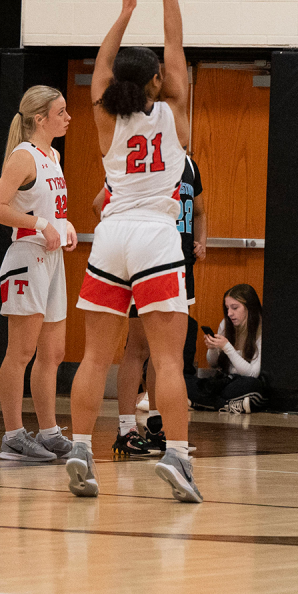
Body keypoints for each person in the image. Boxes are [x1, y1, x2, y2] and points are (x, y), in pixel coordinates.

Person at [66, 0, 201, 503]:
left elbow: (101, 66)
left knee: (96, 356)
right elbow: (174, 51)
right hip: (156, 235)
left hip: (112, 233)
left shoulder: (104, 117)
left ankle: (79, 447)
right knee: (166, 360)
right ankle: (179, 458)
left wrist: (121, 16)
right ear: (154, 84)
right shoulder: (174, 112)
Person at [0, 85, 78, 462]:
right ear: (40, 118)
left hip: (51, 259)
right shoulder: (23, 157)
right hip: (26, 256)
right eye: (62, 111)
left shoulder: (52, 154)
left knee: (53, 353)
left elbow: (49, 208)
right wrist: (41, 224)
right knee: (21, 351)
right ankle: (12, 435)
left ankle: (50, 431)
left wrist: (63, 225)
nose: (68, 117)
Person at [93, 153, 205, 455]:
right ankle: (126, 428)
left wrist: (201, 240)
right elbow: (97, 205)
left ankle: (156, 425)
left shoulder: (189, 165)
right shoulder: (140, 158)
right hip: (145, 262)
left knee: (165, 350)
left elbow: (199, 212)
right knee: (138, 346)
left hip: (178, 264)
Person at [188, 284, 266, 413]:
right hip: (224, 381)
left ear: (249, 307)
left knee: (252, 386)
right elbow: (213, 364)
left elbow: (252, 374)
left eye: (235, 308)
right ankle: (226, 405)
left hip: (243, 383)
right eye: (227, 308)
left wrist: (227, 347)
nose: (230, 313)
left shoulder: (261, 329)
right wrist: (213, 348)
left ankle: (202, 403)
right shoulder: (225, 324)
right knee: (187, 381)